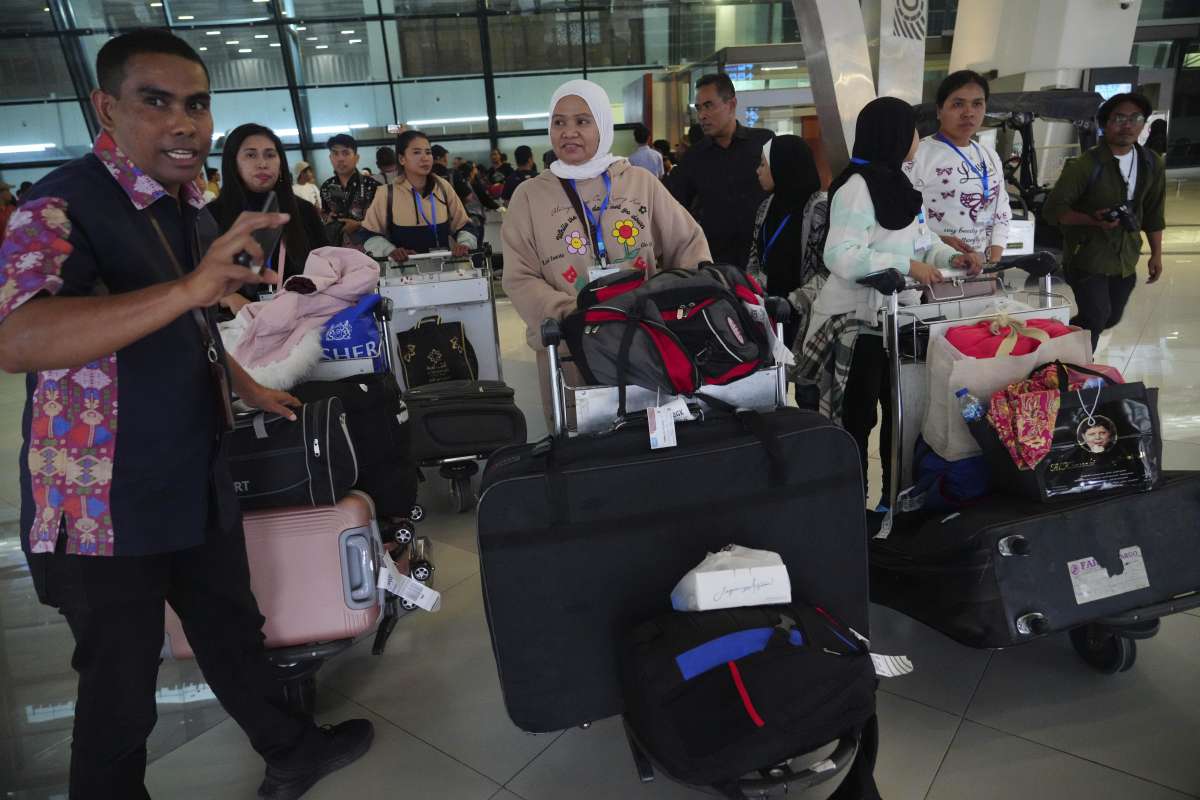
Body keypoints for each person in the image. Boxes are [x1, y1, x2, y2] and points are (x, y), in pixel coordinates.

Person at [0, 29, 372, 799]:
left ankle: (289, 748)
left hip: (189, 471)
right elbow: (17, 335)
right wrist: (188, 290)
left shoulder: (188, 208)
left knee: (232, 628)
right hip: (100, 498)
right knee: (121, 685)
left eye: (196, 104)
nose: (184, 123)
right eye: (156, 101)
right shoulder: (57, 206)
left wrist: (241, 381)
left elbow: (192, 321)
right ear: (107, 107)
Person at [500, 79, 711, 421]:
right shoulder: (529, 196)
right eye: (559, 122)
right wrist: (570, 313)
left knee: (649, 441)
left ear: (602, 125)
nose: (569, 132)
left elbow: (687, 243)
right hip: (571, 347)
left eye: (582, 121)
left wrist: (674, 304)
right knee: (583, 450)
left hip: (646, 339)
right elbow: (519, 276)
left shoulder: (639, 182)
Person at [797, 96, 972, 508]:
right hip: (857, 324)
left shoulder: (902, 186)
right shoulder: (856, 189)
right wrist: (906, 264)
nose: (916, 137)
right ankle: (850, 505)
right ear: (892, 133)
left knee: (904, 414)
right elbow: (841, 255)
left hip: (900, 320)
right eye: (911, 129)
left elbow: (923, 244)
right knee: (856, 420)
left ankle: (894, 501)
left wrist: (951, 258)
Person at [1043, 92, 1166, 351]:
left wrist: (1156, 254)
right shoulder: (1084, 165)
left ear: (1144, 124)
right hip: (1087, 257)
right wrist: (1091, 220)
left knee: (1109, 317)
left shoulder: (1151, 163)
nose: (1127, 124)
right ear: (1105, 123)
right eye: (1119, 118)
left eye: (1135, 118)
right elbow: (1053, 210)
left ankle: (1056, 337)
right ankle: (1081, 371)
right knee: (1096, 316)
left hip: (1125, 258)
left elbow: (1154, 212)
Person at [207, 123, 328, 314]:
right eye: (251, 155)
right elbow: (194, 280)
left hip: (300, 322)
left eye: (270, 155)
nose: (262, 163)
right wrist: (227, 297)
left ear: (281, 163)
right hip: (236, 326)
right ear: (234, 163)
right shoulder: (211, 216)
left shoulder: (303, 211)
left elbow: (328, 269)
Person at [666, 73, 774, 268]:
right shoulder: (694, 157)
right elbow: (674, 205)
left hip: (766, 258)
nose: (701, 116)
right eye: (698, 108)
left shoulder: (763, 143)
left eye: (709, 106)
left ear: (731, 104)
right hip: (716, 265)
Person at [907, 70, 1009, 268]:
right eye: (958, 104)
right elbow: (900, 217)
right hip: (934, 270)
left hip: (981, 268)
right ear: (939, 110)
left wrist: (994, 263)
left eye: (977, 104)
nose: (969, 112)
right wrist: (938, 239)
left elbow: (1001, 210)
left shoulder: (990, 156)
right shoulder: (918, 155)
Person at [746, 135, 824, 345]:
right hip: (770, 315)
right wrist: (755, 297)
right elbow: (754, 259)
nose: (758, 170)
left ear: (783, 165)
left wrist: (793, 303)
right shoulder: (766, 207)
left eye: (763, 164)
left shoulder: (819, 209)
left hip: (807, 318)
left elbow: (827, 273)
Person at [360, 129, 477, 263]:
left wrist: (464, 244)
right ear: (402, 159)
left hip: (445, 272)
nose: (425, 157)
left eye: (428, 152)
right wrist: (390, 251)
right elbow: (367, 234)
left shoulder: (443, 187)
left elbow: (465, 226)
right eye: (416, 152)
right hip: (404, 276)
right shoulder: (387, 193)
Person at [319, 133, 378, 245]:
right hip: (337, 247)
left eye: (346, 153)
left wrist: (359, 225)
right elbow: (326, 214)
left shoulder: (373, 185)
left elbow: (383, 220)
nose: (340, 159)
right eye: (335, 153)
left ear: (356, 158)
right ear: (330, 158)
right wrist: (328, 220)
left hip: (369, 247)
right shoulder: (326, 187)